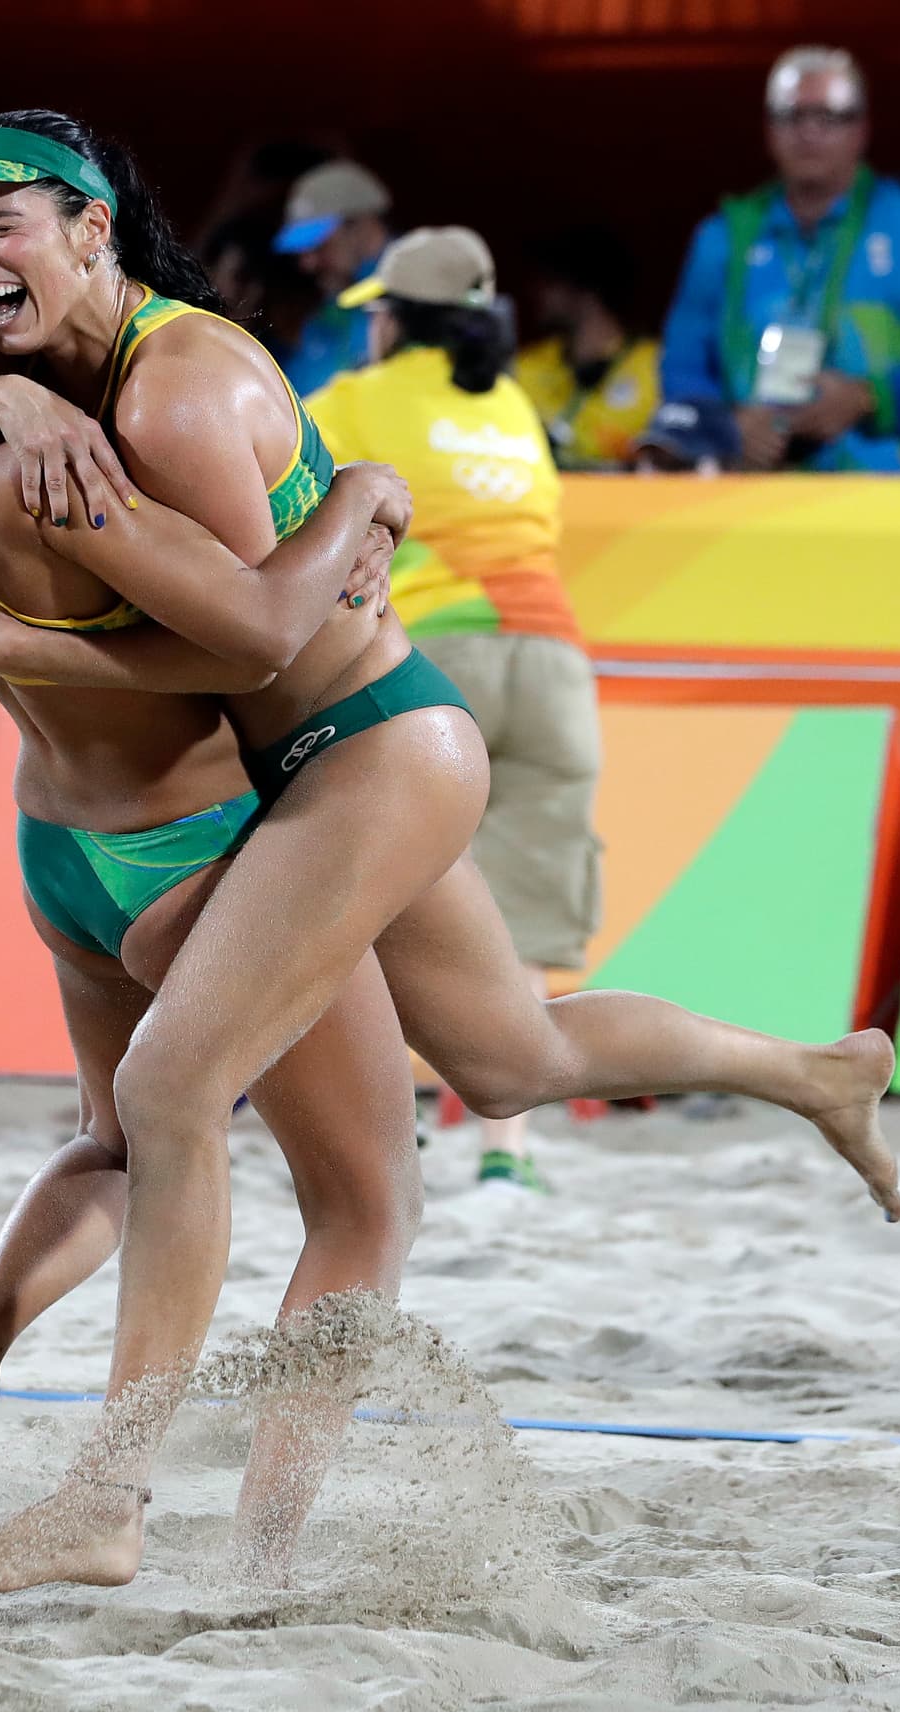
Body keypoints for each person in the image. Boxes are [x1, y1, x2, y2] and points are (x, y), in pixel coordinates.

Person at [0, 117, 899, 1594]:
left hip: (365, 742)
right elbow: (203, 636)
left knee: (198, 1109)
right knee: (504, 1060)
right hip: (257, 774)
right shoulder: (31, 391)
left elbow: (260, 640)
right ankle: (812, 1071)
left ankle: (128, 1500)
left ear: (91, 226)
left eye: (2, 222)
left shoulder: (175, 388)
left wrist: (358, 495)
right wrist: (11, 421)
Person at [306, 227, 600, 1190]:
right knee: (518, 918)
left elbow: (265, 483)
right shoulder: (514, 401)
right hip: (555, 663)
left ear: (393, 319)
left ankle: (392, 1119)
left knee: (390, 890)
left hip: (438, 658)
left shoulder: (358, 399)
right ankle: (507, 1154)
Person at [661, 45, 900, 472]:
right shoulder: (723, 238)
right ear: (770, 129)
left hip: (893, 496)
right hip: (753, 492)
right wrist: (729, 426)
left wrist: (869, 397)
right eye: (792, 116)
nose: (808, 133)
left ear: (861, 129)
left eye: (828, 117)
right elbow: (681, 366)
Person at [516, 226, 660, 470]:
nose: (535, 291)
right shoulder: (523, 367)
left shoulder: (656, 366)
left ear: (586, 287)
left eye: (550, 281)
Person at [271, 159, 392, 395]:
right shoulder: (328, 309)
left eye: (319, 245)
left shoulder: (422, 301)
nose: (306, 264)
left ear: (360, 226)